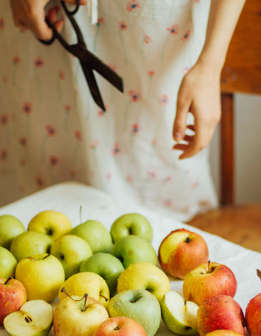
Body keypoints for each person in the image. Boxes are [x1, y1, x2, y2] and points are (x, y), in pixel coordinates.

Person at [0, 0, 245, 220]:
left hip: (152, 37)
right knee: (35, 200)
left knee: (159, 206)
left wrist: (210, 64)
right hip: (42, 31)